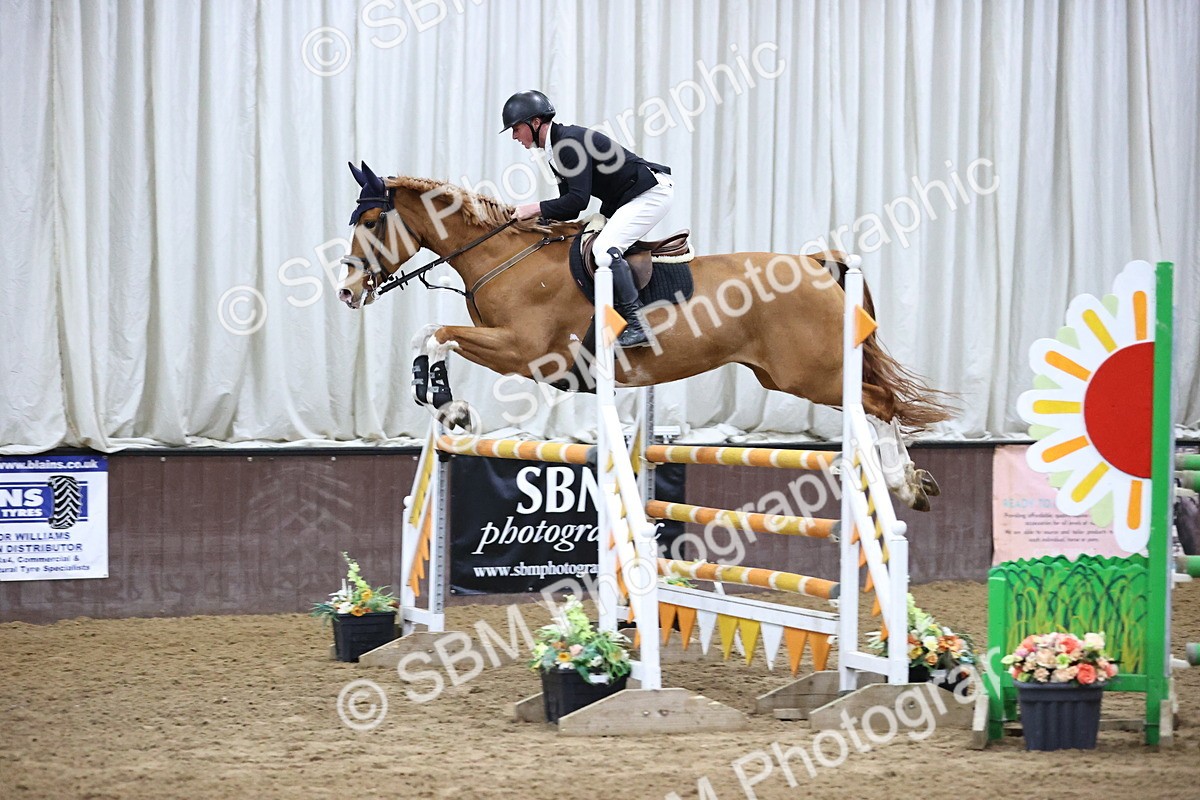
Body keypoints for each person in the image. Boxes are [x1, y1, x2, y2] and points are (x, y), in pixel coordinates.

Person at [502, 89, 674, 348]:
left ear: (535, 123)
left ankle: (638, 325)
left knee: (605, 249)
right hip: (628, 196)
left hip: (650, 193)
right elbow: (570, 208)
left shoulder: (568, 145)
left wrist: (534, 207)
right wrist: (538, 221)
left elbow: (578, 201)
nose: (514, 136)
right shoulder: (555, 150)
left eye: (516, 128)